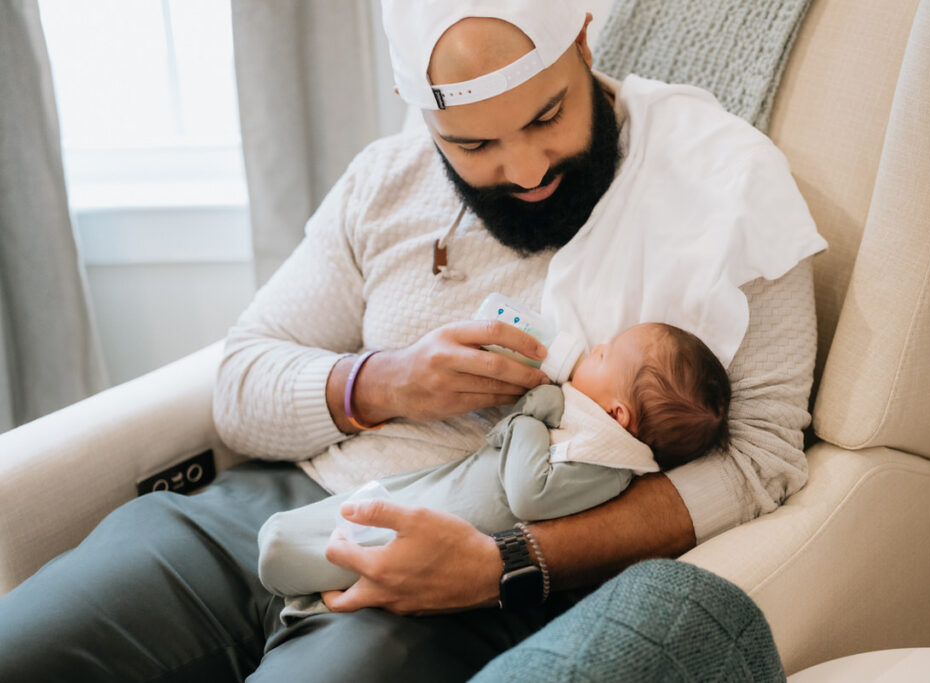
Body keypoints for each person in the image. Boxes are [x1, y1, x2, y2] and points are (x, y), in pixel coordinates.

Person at [0, 1, 826, 680]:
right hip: (260, 514)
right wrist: (386, 382)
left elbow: (758, 462)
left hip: (447, 578)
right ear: (425, 118)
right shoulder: (384, 183)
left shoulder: (726, 194)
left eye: (547, 115)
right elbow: (241, 381)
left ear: (583, 36)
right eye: (473, 143)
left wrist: (505, 560)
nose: (527, 167)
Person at [258, 322, 731, 620]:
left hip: (453, 519)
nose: (597, 345)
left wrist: (531, 416)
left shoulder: (606, 467)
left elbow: (530, 495)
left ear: (618, 415)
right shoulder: (590, 434)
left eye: (605, 355)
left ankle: (283, 564)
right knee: (352, 512)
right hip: (448, 486)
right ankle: (286, 547)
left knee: (352, 542)